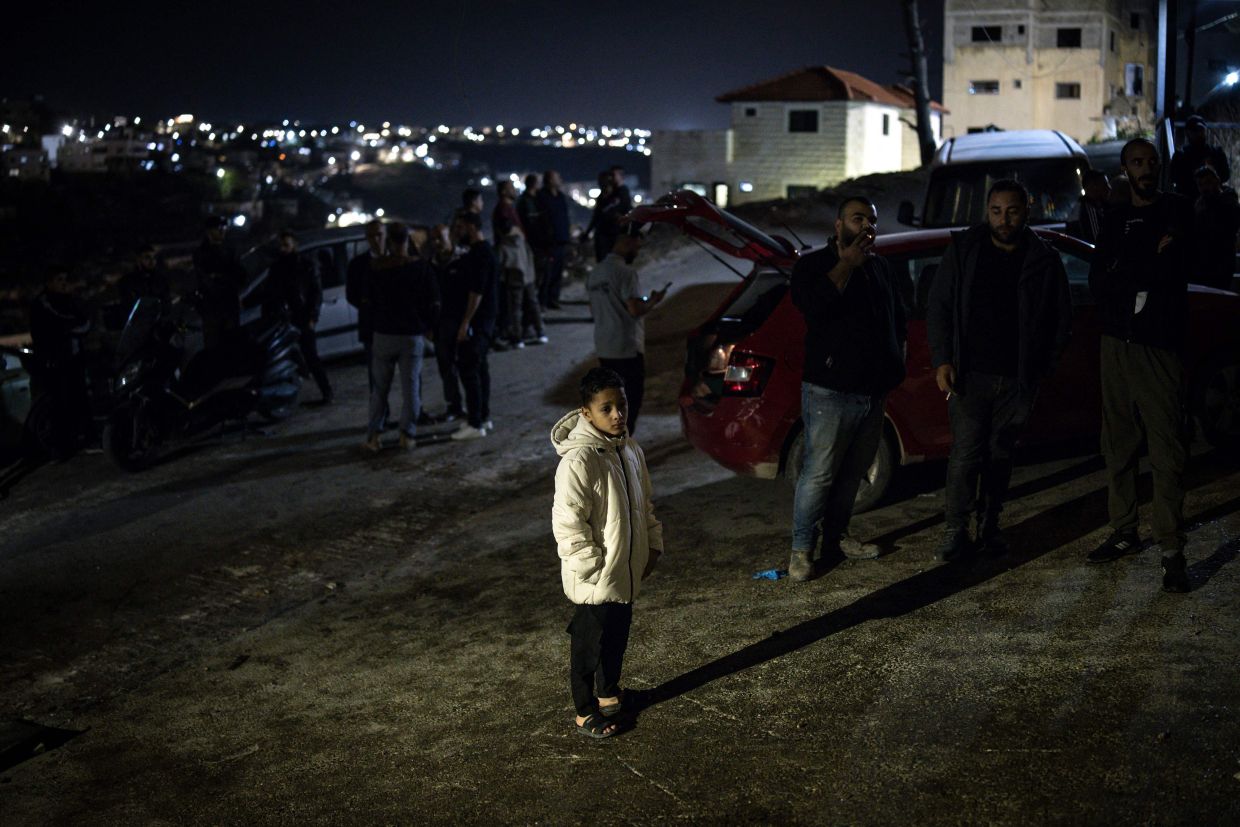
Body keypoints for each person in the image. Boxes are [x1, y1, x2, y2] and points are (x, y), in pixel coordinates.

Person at [927, 180, 1072, 561]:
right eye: (996, 211)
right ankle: (955, 532)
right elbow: (939, 306)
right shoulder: (964, 250)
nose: (1003, 219)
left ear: (1027, 211)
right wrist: (943, 359)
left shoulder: (1043, 258)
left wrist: (1044, 367)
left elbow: (1061, 318)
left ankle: (989, 527)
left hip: (1017, 379)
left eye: (1012, 211)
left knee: (1000, 455)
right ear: (986, 212)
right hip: (969, 375)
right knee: (964, 456)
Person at [1087, 138, 1195, 593]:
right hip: (1117, 342)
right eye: (1137, 163)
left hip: (1158, 344)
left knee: (1167, 446)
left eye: (1152, 162)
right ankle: (1125, 529)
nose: (1146, 169)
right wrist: (1148, 257)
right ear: (1125, 168)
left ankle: (1171, 549)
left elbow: (1173, 271)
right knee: (1119, 442)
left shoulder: (1177, 210)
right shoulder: (1114, 218)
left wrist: (1132, 266)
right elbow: (1100, 278)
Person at [787, 197, 908, 581]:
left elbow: (896, 318)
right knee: (819, 473)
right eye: (859, 219)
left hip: (873, 391)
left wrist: (895, 362)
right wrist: (846, 265)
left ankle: (837, 538)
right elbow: (814, 307)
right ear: (839, 225)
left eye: (872, 220)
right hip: (830, 391)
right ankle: (801, 551)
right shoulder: (813, 266)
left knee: (854, 473)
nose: (868, 226)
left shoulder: (880, 266)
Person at [550, 367, 664, 738]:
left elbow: (643, 504)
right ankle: (584, 711)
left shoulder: (630, 450)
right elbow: (568, 522)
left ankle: (609, 695)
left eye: (622, 405)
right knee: (588, 644)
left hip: (624, 569)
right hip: (596, 575)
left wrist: (652, 544)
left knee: (617, 635)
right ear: (586, 413)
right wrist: (591, 566)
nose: (617, 414)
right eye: (606, 408)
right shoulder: (579, 460)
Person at [363, 223, 440, 452]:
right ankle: (407, 435)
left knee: (379, 389)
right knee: (411, 388)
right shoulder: (421, 268)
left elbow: (366, 304)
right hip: (411, 335)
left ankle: (374, 436)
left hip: (383, 334)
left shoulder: (376, 268)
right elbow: (434, 302)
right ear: (408, 241)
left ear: (389, 241)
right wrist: (428, 327)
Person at [586, 228, 664, 435]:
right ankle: (621, 450)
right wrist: (654, 301)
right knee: (629, 402)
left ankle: (610, 447)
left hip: (604, 346)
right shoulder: (626, 273)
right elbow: (635, 308)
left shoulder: (595, 273)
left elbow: (592, 309)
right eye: (637, 247)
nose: (637, 252)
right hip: (626, 347)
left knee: (609, 403)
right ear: (628, 242)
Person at [447, 212, 499, 440]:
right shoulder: (483, 252)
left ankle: (475, 423)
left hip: (476, 323)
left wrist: (465, 322)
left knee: (469, 371)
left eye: (459, 227)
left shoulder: (480, 255)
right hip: (483, 322)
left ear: (470, 227)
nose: (457, 232)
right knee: (480, 370)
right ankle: (483, 418)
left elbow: (476, 292)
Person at [29, 268, 93, 456]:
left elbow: (84, 323)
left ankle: (84, 438)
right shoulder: (43, 304)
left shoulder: (68, 300)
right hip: (56, 362)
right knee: (61, 404)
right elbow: (57, 327)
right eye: (59, 279)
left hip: (74, 360)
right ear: (49, 282)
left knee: (79, 399)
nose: (64, 283)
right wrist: (70, 328)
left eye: (65, 278)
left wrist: (72, 328)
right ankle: (63, 445)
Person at [264, 231, 332, 404]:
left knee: (311, 356)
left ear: (294, 245)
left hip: (302, 316)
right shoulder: (277, 267)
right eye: (281, 245)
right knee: (285, 356)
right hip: (283, 319)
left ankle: (327, 393)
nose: (283, 248)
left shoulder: (306, 264)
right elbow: (271, 293)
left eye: (286, 245)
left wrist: (312, 317)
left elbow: (316, 293)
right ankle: (286, 396)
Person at [347, 220, 387, 423]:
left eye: (379, 234)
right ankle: (380, 418)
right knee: (376, 377)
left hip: (400, 328)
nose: (376, 240)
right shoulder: (358, 265)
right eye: (372, 236)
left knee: (411, 376)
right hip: (372, 328)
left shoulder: (399, 258)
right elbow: (352, 295)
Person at [192, 216, 245, 348]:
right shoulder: (201, 253)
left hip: (229, 306)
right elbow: (206, 280)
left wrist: (221, 277)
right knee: (214, 348)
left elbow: (240, 275)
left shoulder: (231, 249)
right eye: (219, 228)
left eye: (224, 227)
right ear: (209, 231)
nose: (223, 231)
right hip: (212, 309)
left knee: (231, 346)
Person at [495, 219, 546, 349]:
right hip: (528, 277)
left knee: (515, 310)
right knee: (534, 305)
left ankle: (518, 339)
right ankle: (541, 333)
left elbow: (500, 265)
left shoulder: (503, 245)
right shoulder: (521, 240)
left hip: (513, 280)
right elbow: (530, 257)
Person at [1191, 165, 1239, 290]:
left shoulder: (1229, 201)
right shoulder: (1200, 204)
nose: (1204, 188)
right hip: (1203, 261)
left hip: (1222, 261)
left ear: (1217, 181)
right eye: (1200, 185)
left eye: (1207, 182)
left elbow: (1231, 225)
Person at [1169, 115, 1231, 198]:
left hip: (1212, 197)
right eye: (1195, 131)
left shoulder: (1216, 152)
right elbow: (1174, 177)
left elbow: (1225, 175)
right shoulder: (1181, 155)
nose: (1199, 133)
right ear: (1188, 133)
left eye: (1201, 130)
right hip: (1188, 198)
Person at [536, 169, 571, 309]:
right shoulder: (542, 197)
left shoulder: (560, 196)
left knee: (557, 272)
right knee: (547, 273)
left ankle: (553, 299)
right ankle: (543, 301)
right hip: (549, 242)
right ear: (550, 180)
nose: (560, 180)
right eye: (557, 177)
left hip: (561, 239)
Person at [118, 245, 171, 310]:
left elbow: (167, 302)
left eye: (154, 257)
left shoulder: (161, 280)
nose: (152, 261)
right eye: (147, 258)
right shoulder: (127, 281)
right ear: (138, 260)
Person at [1068, 169, 1110, 244]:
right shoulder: (1088, 210)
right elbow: (1097, 242)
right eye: (1104, 184)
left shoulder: (1093, 206)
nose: (1109, 188)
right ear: (1093, 186)